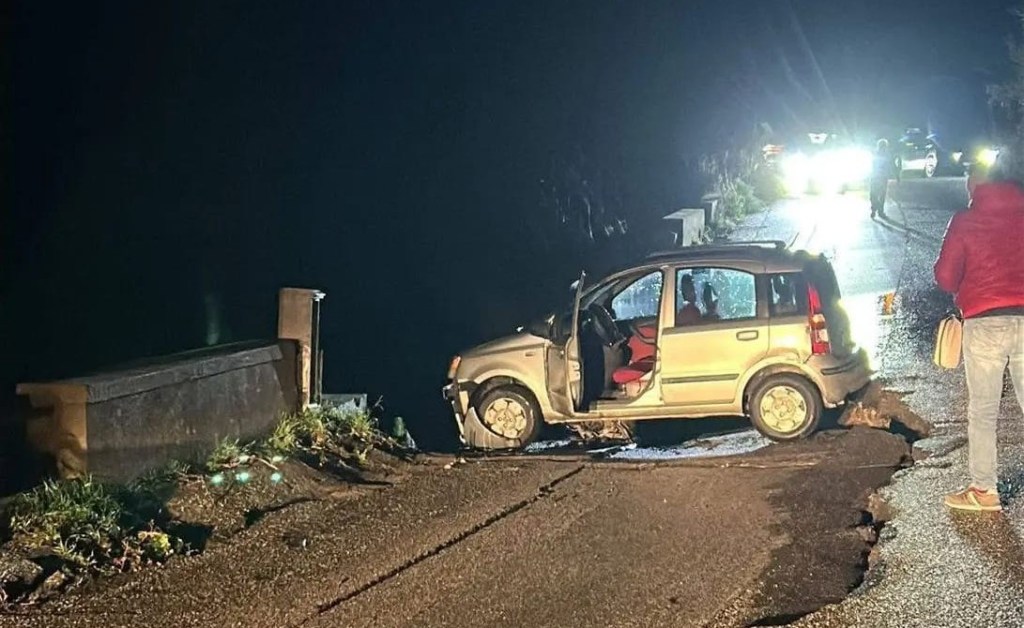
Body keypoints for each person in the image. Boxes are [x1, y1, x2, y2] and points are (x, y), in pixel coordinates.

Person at [934, 162, 1024, 512]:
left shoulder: (965, 220)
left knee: (984, 411)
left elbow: (945, 277)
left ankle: (984, 492)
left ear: (975, 187)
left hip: (985, 324)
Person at [869, 138, 896, 219]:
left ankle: (876, 209)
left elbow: (890, 165)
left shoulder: (877, 154)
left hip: (877, 177)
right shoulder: (886, 155)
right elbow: (891, 166)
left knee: (876, 194)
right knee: (880, 194)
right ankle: (878, 210)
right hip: (880, 177)